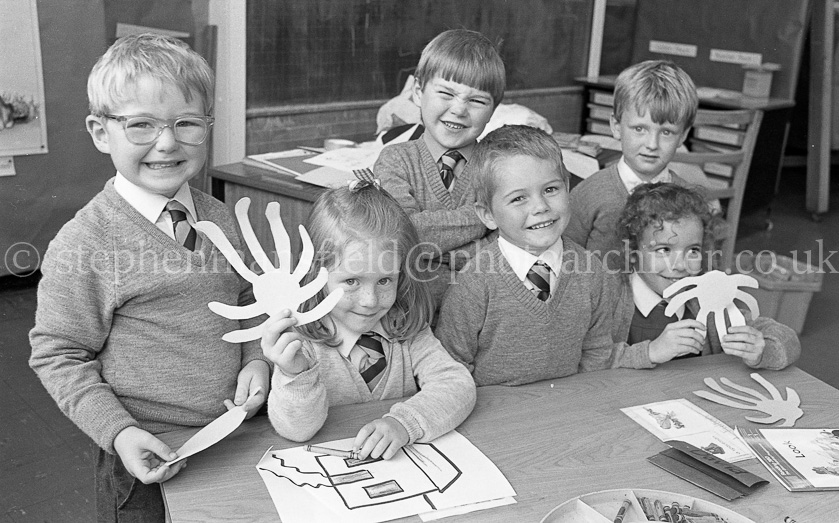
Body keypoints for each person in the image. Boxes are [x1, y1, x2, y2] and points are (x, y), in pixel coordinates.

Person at [28, 33, 269, 521]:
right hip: (146, 454)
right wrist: (119, 432)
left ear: (207, 126)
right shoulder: (85, 242)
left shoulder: (220, 217)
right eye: (141, 125)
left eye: (186, 123)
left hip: (234, 435)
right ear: (101, 132)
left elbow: (249, 296)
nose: (167, 142)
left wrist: (257, 358)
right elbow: (58, 353)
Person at [263, 181, 476, 460]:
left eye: (385, 280)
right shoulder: (300, 342)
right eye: (351, 281)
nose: (370, 300)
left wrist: (404, 423)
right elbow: (296, 431)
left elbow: (457, 385)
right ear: (316, 274)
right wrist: (295, 375)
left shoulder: (405, 326)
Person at [434, 125, 613, 386]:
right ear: (488, 215)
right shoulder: (474, 283)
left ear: (567, 187)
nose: (540, 207)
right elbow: (451, 368)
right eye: (518, 198)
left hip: (571, 403)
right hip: (493, 408)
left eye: (550, 190)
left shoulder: (592, 270)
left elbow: (597, 352)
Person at [374, 28, 506, 309]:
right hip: (407, 315)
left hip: (481, 315)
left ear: (493, 110)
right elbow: (404, 236)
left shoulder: (500, 167)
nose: (459, 110)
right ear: (418, 92)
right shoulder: (395, 160)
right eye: (446, 93)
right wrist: (484, 217)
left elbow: (505, 248)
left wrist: (427, 255)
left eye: (477, 100)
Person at [607, 182, 800, 369]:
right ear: (632, 252)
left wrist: (762, 350)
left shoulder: (706, 298)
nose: (680, 265)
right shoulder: (608, 298)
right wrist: (650, 352)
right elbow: (593, 359)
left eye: (693, 251)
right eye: (664, 250)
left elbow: (789, 341)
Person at [565, 60, 700, 266]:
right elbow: (563, 262)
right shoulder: (587, 195)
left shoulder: (690, 202)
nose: (652, 144)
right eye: (639, 129)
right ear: (616, 126)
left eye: (666, 132)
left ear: (683, 135)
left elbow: (699, 269)